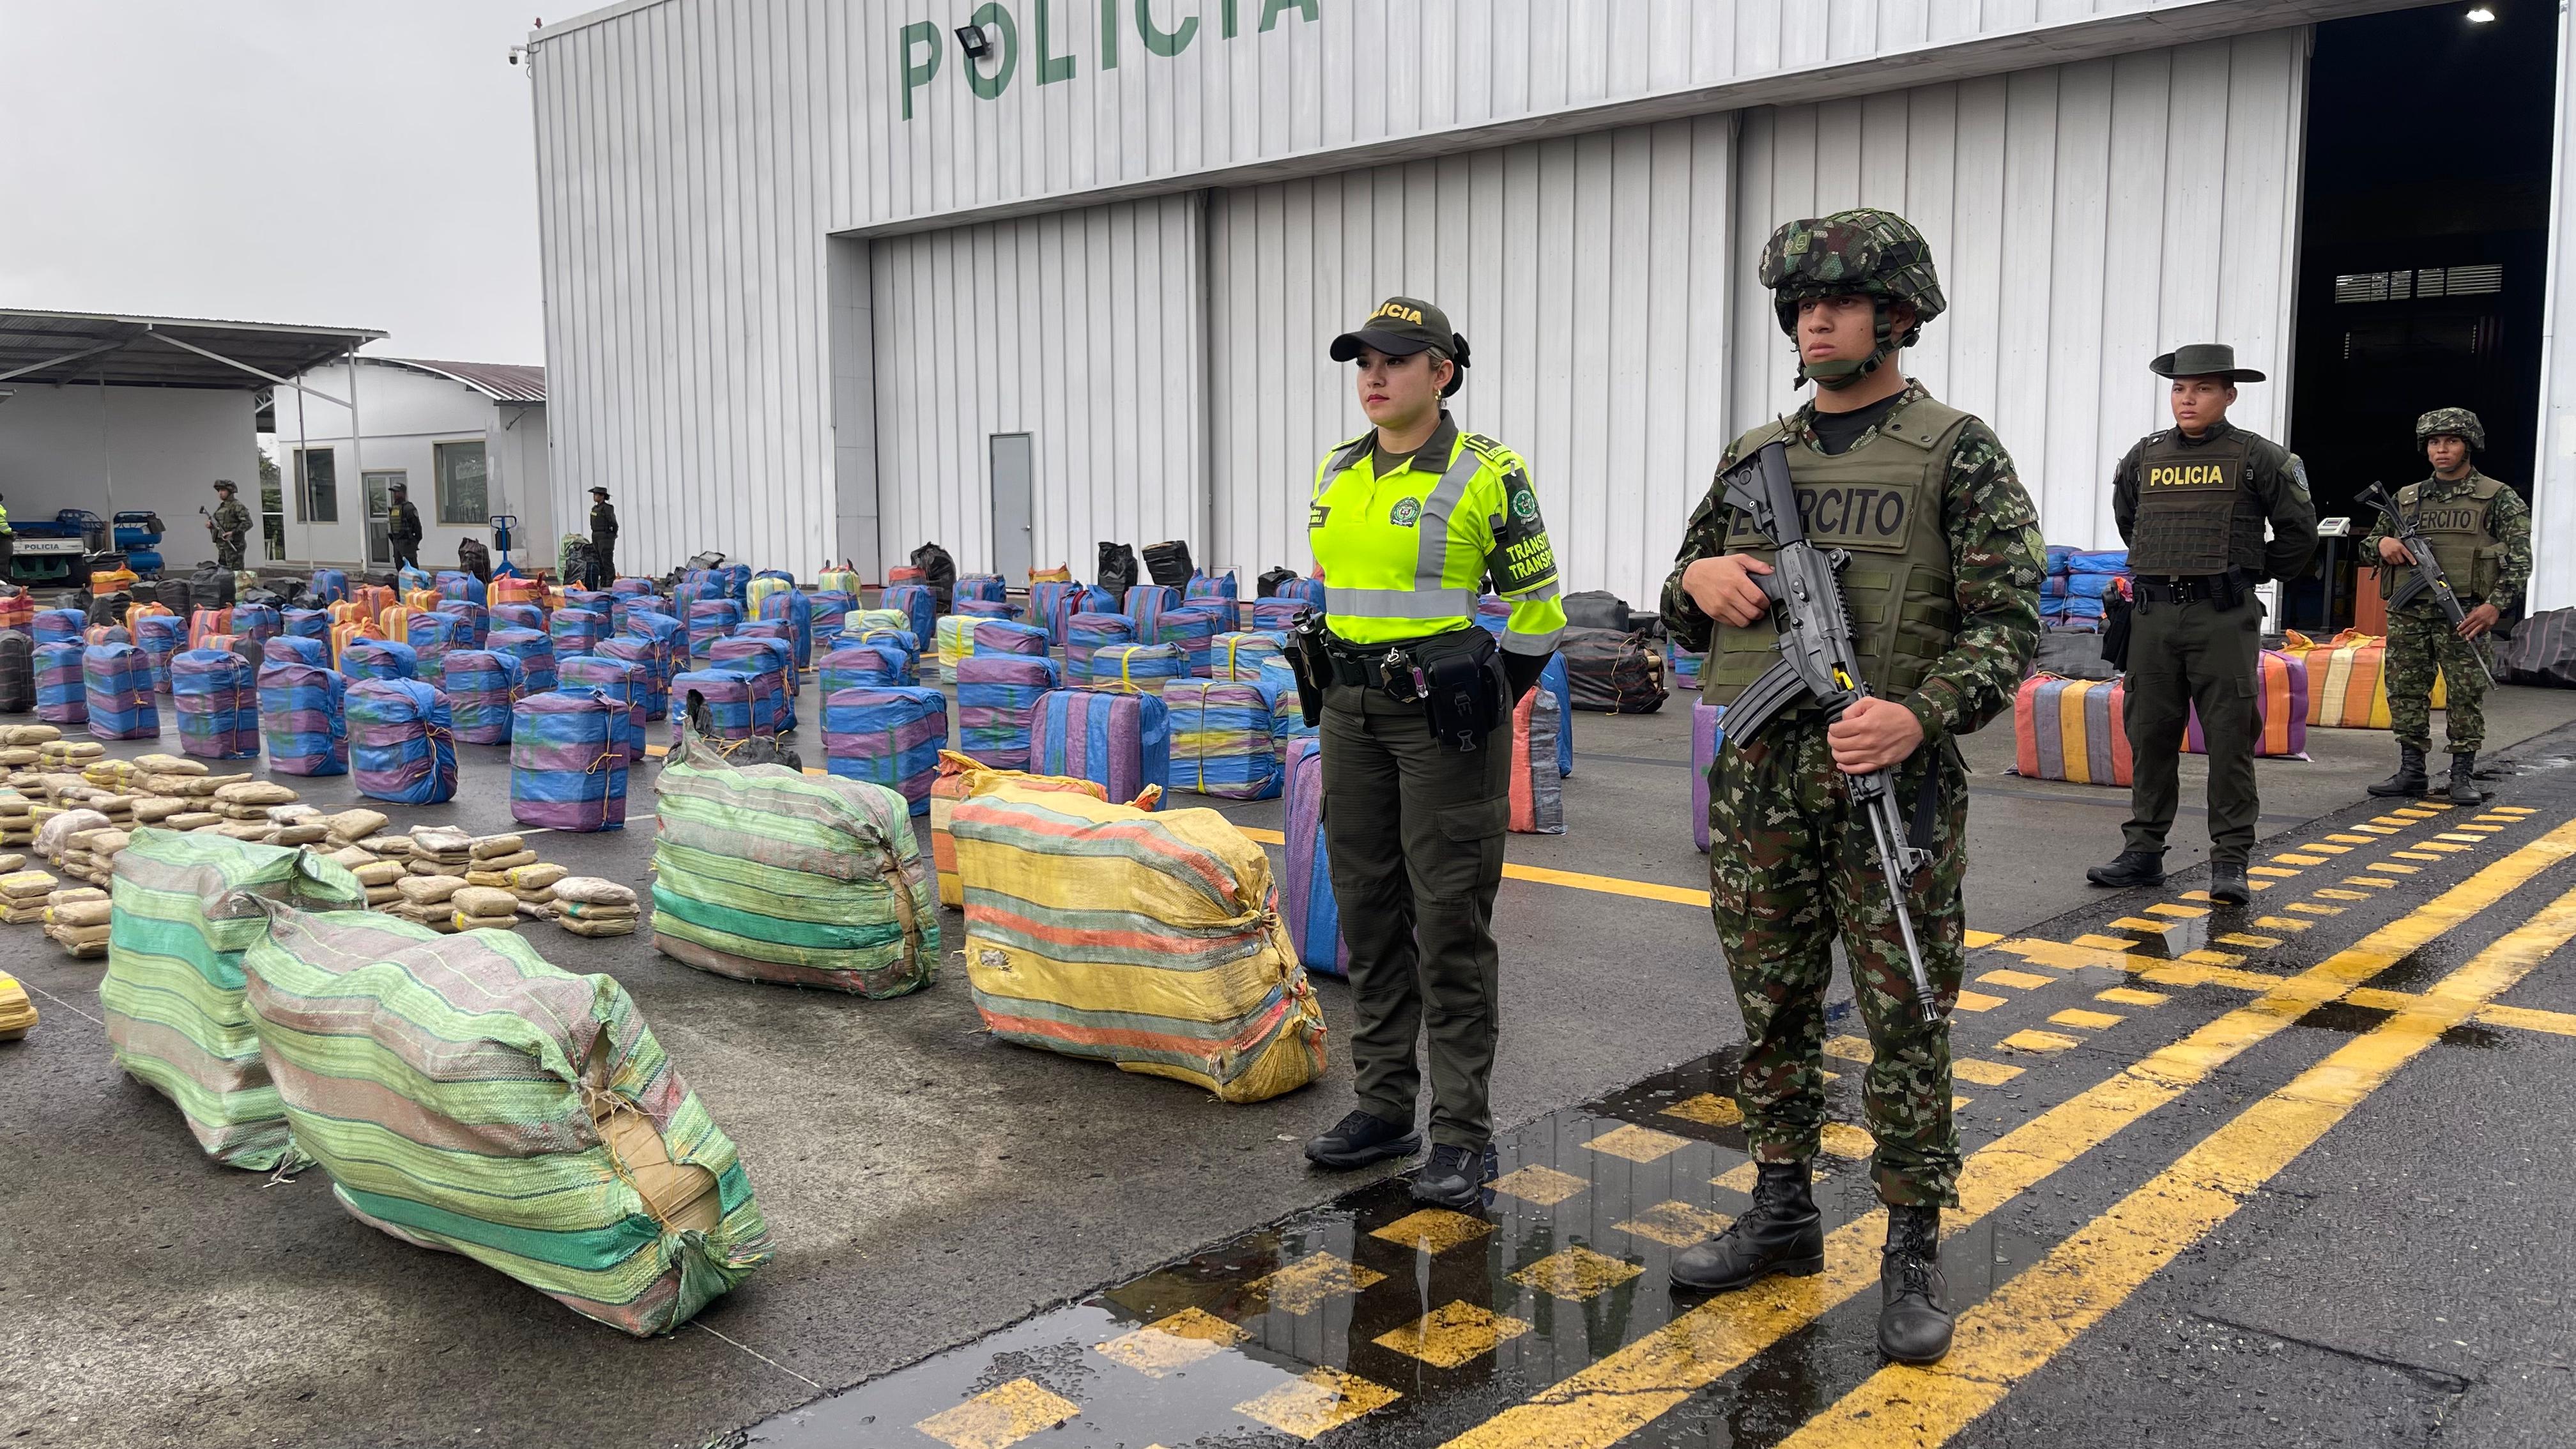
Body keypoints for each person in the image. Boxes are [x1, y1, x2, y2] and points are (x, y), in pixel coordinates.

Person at [1661, 209, 2043, 1365]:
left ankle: (1911, 1240)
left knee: (1905, 1015)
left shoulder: (1954, 449)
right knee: (1769, 1010)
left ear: (1897, 314)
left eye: (1838, 300)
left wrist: (1918, 711)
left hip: (1892, 780)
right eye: (1797, 305)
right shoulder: (1749, 458)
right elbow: (1675, 601)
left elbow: (2011, 622)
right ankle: (1781, 1208)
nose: (1813, 318)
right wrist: (1702, 575)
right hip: (1762, 785)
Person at [1298, 295, 1567, 1209]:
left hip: (1440, 725)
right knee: (1369, 915)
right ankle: (1383, 1106)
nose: (1373, 377)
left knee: (1448, 922)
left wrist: (1485, 708)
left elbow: (1539, 616)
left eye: (1395, 361)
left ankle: (1461, 1134)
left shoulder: (1490, 472)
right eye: (1363, 362)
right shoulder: (1338, 471)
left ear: (1441, 372)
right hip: (1347, 713)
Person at [2087, 344, 2317, 904]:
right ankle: (2143, 852)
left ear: (2229, 395)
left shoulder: (2260, 457)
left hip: (2222, 615)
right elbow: (2129, 520)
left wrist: (2245, 575)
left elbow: (2299, 534)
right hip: (2154, 613)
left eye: (2204, 388)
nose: (2188, 399)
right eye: (2179, 389)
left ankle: (2230, 861)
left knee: (2230, 737)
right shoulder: (2144, 457)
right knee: (2150, 733)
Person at [2363, 407, 2530, 804]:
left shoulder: (2498, 497)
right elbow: (2371, 543)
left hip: (2466, 613)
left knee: (2465, 693)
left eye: (2452, 441)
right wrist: (2382, 545)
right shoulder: (2406, 499)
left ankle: (2461, 774)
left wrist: (2495, 608)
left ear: (2468, 446)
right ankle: (2412, 771)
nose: (2442, 449)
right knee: (2405, 691)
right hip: (2409, 613)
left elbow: (2520, 560)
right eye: (2435, 442)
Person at [207, 480, 252, 571]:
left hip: (234, 546)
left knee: (235, 573)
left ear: (231, 491)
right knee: (223, 572)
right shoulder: (222, 507)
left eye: (223, 490)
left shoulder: (237, 506)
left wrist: (233, 533)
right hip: (222, 546)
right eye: (219, 490)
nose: (220, 493)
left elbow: (248, 523)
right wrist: (211, 525)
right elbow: (218, 523)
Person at [386, 480, 424, 573]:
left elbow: (417, 528)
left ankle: (416, 588)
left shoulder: (409, 508)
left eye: (397, 492)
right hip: (397, 544)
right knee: (401, 570)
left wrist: (414, 542)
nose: (395, 495)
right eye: (394, 493)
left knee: (413, 572)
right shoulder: (395, 508)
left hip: (408, 544)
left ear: (403, 493)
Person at [588, 486, 618, 589]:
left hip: (605, 537)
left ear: (602, 496)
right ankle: (604, 580)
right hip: (596, 535)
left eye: (596, 495)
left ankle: (610, 581)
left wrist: (612, 535)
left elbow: (613, 523)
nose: (595, 496)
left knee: (606, 559)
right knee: (599, 559)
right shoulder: (595, 509)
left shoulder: (607, 508)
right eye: (594, 494)